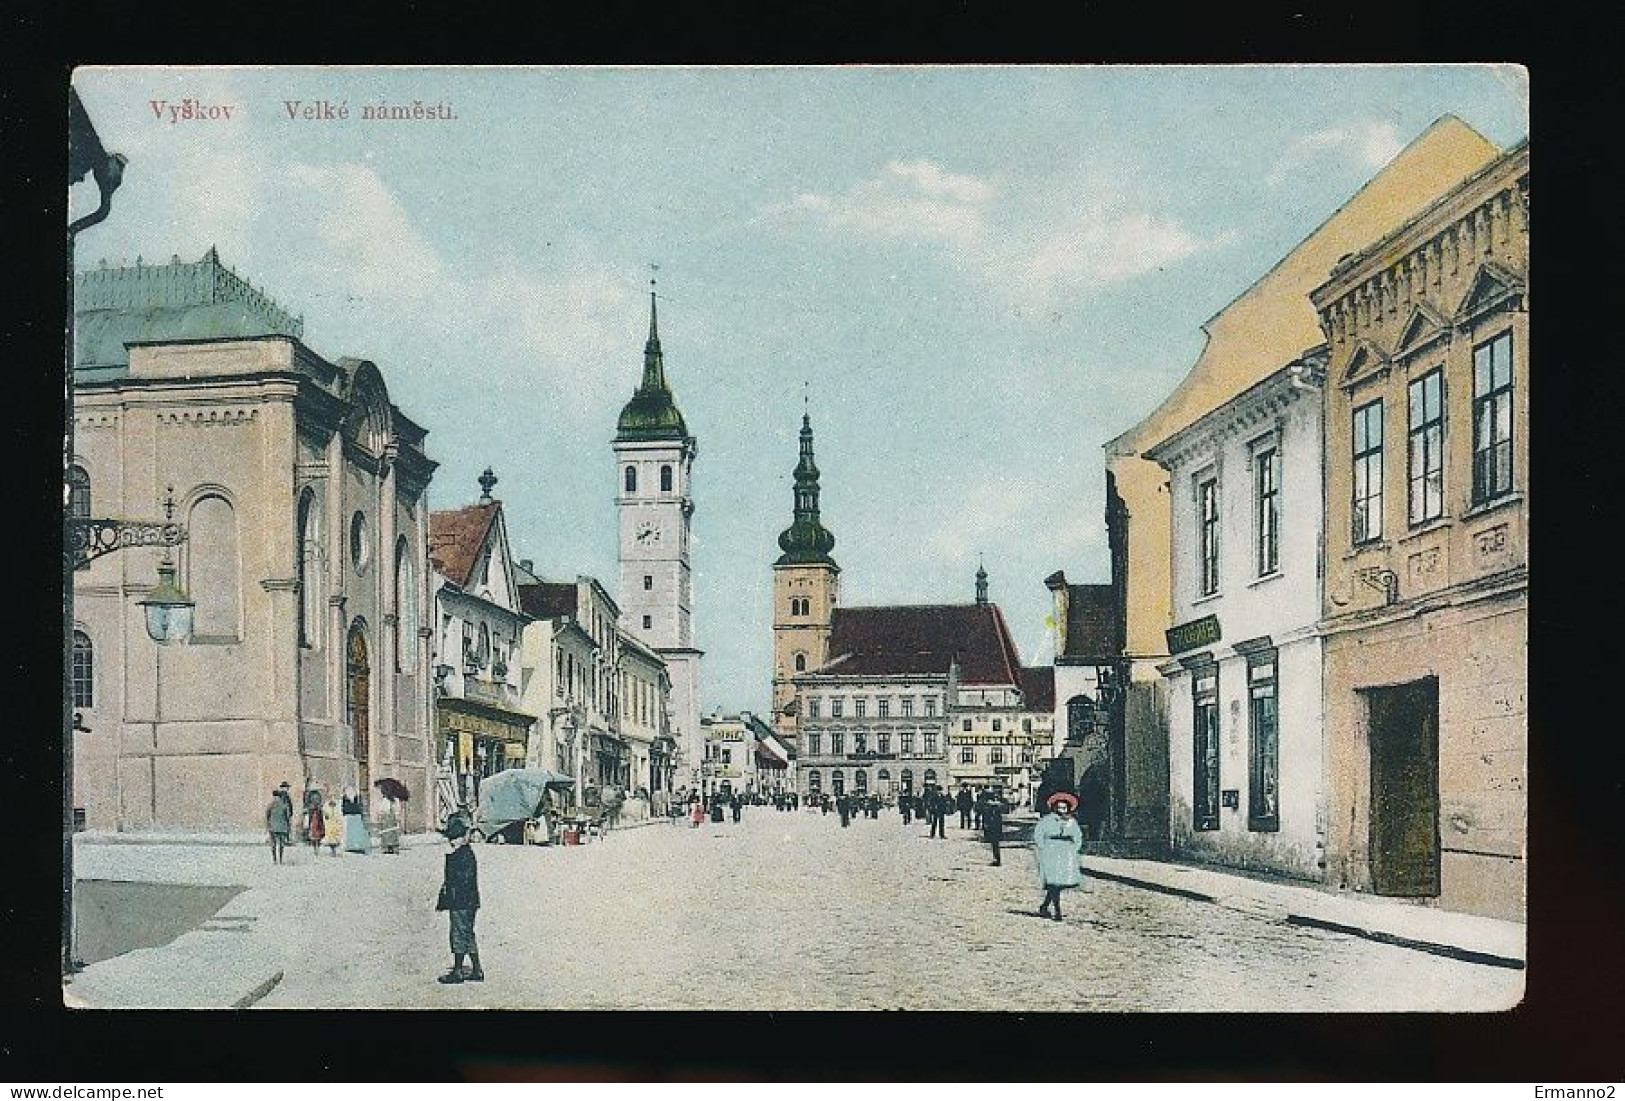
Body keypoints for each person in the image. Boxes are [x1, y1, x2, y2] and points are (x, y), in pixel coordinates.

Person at [435, 817, 483, 983]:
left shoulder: (463, 856)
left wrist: (449, 897)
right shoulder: (464, 853)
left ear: (463, 837)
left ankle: (457, 971)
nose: (452, 842)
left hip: (461, 902)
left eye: (454, 838)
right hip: (469, 902)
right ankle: (477, 969)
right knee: (468, 934)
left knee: (458, 934)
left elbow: (460, 881)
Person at [1034, 791, 1085, 921]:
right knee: (1053, 883)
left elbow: (1078, 836)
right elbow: (1038, 834)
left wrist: (1074, 848)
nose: (1061, 810)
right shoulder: (1046, 820)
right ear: (1054, 807)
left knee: (1058, 884)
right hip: (1051, 851)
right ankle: (1057, 911)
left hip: (1066, 853)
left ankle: (1045, 906)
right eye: (1059, 807)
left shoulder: (1072, 822)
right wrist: (1043, 847)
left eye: (1064, 808)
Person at [341, 784, 371, 854]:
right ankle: (352, 845)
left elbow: (344, 807)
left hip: (355, 816)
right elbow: (343, 807)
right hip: (352, 816)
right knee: (352, 832)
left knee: (356, 832)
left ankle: (357, 845)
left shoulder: (356, 798)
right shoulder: (347, 798)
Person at [265, 788, 291, 864]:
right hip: (282, 827)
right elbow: (288, 816)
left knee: (273, 844)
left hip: (273, 826)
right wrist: (288, 826)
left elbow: (267, 815)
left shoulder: (271, 804)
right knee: (281, 844)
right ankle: (280, 859)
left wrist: (268, 824)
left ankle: (274, 860)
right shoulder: (284, 804)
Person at [981, 791, 1005, 867]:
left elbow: (989, 819)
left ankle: (997, 860)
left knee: (995, 845)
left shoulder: (992, 809)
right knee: (994, 845)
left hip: (994, 829)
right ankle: (997, 859)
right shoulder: (993, 808)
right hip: (995, 829)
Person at [303, 782, 326, 854]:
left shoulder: (311, 795)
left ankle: (316, 846)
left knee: (315, 828)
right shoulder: (312, 795)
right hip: (314, 812)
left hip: (315, 813)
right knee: (315, 828)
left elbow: (307, 803)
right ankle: (316, 846)